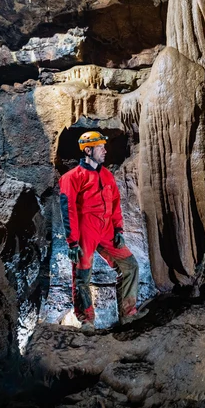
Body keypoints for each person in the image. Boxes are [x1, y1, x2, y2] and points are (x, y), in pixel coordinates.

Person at [59, 130, 146, 334]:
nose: (104, 151)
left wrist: (118, 229)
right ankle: (87, 320)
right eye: (100, 147)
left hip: (107, 229)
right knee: (82, 276)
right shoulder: (71, 178)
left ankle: (128, 314)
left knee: (130, 266)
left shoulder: (106, 175)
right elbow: (68, 209)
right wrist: (73, 242)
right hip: (85, 231)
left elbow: (115, 204)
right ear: (88, 150)